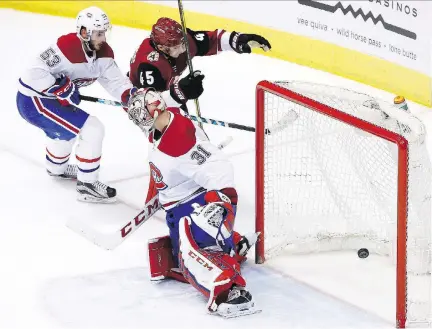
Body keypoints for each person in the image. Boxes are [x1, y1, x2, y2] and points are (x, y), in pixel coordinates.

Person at [126, 88, 260, 317]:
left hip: (200, 206)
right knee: (174, 258)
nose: (139, 120)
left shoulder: (178, 137)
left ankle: (227, 291)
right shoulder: (162, 127)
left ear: (154, 110)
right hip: (180, 207)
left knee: (189, 255)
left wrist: (220, 201)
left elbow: (218, 166)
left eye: (142, 113)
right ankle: (231, 245)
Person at [16, 6, 138, 203]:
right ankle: (87, 184)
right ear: (84, 32)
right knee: (92, 128)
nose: (103, 38)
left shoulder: (104, 54)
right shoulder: (64, 49)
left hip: (49, 101)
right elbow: (29, 75)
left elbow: (116, 83)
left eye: (104, 33)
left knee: (65, 130)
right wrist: (58, 87)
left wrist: (132, 97)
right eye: (98, 34)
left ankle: (57, 168)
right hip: (33, 100)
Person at [129, 17, 271, 109]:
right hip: (140, 102)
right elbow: (151, 108)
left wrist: (238, 40)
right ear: (162, 48)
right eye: (178, 46)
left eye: (183, 42)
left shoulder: (179, 43)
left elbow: (212, 40)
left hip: (166, 89)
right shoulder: (149, 67)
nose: (185, 48)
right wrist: (180, 92)